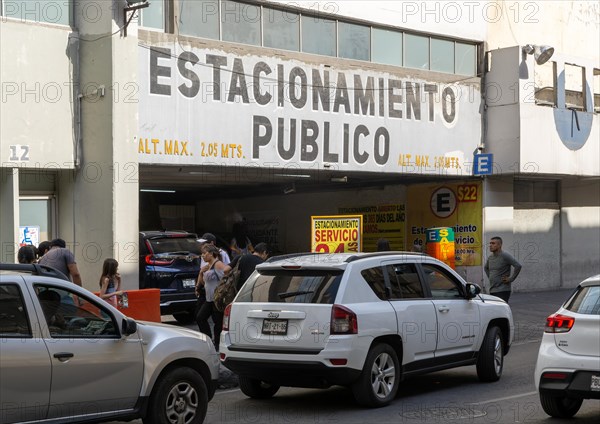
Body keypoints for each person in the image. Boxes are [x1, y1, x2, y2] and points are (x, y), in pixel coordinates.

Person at [195, 244, 229, 350]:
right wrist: (201, 273)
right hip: (208, 298)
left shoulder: (218, 264)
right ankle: (209, 340)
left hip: (217, 299)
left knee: (217, 323)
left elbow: (227, 275)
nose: (202, 256)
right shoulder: (207, 266)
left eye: (204, 253)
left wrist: (222, 290)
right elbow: (204, 282)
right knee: (200, 318)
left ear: (211, 254)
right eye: (202, 253)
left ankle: (218, 344)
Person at [484, 236, 522, 303]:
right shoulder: (490, 257)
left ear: (499, 245)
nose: (490, 245)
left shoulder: (505, 255)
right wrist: (491, 278)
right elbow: (486, 268)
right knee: (494, 310)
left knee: (500, 310)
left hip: (503, 290)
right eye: (490, 243)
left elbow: (518, 266)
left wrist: (511, 279)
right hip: (492, 289)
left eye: (493, 243)